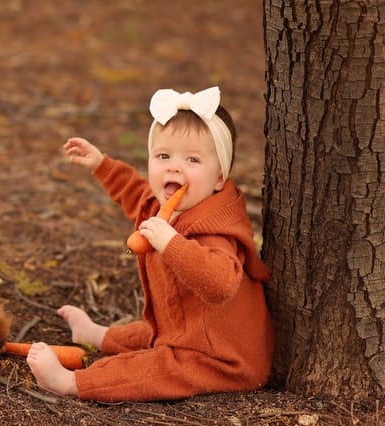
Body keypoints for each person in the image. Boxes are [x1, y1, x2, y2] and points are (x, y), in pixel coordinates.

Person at [27, 86, 274, 402]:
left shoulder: (217, 232)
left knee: (155, 367)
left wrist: (171, 243)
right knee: (149, 333)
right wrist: (101, 164)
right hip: (185, 332)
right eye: (163, 156)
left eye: (192, 159)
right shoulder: (165, 208)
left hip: (222, 358)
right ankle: (97, 335)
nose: (173, 166)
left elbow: (220, 284)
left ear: (219, 178)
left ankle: (71, 382)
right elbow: (134, 193)